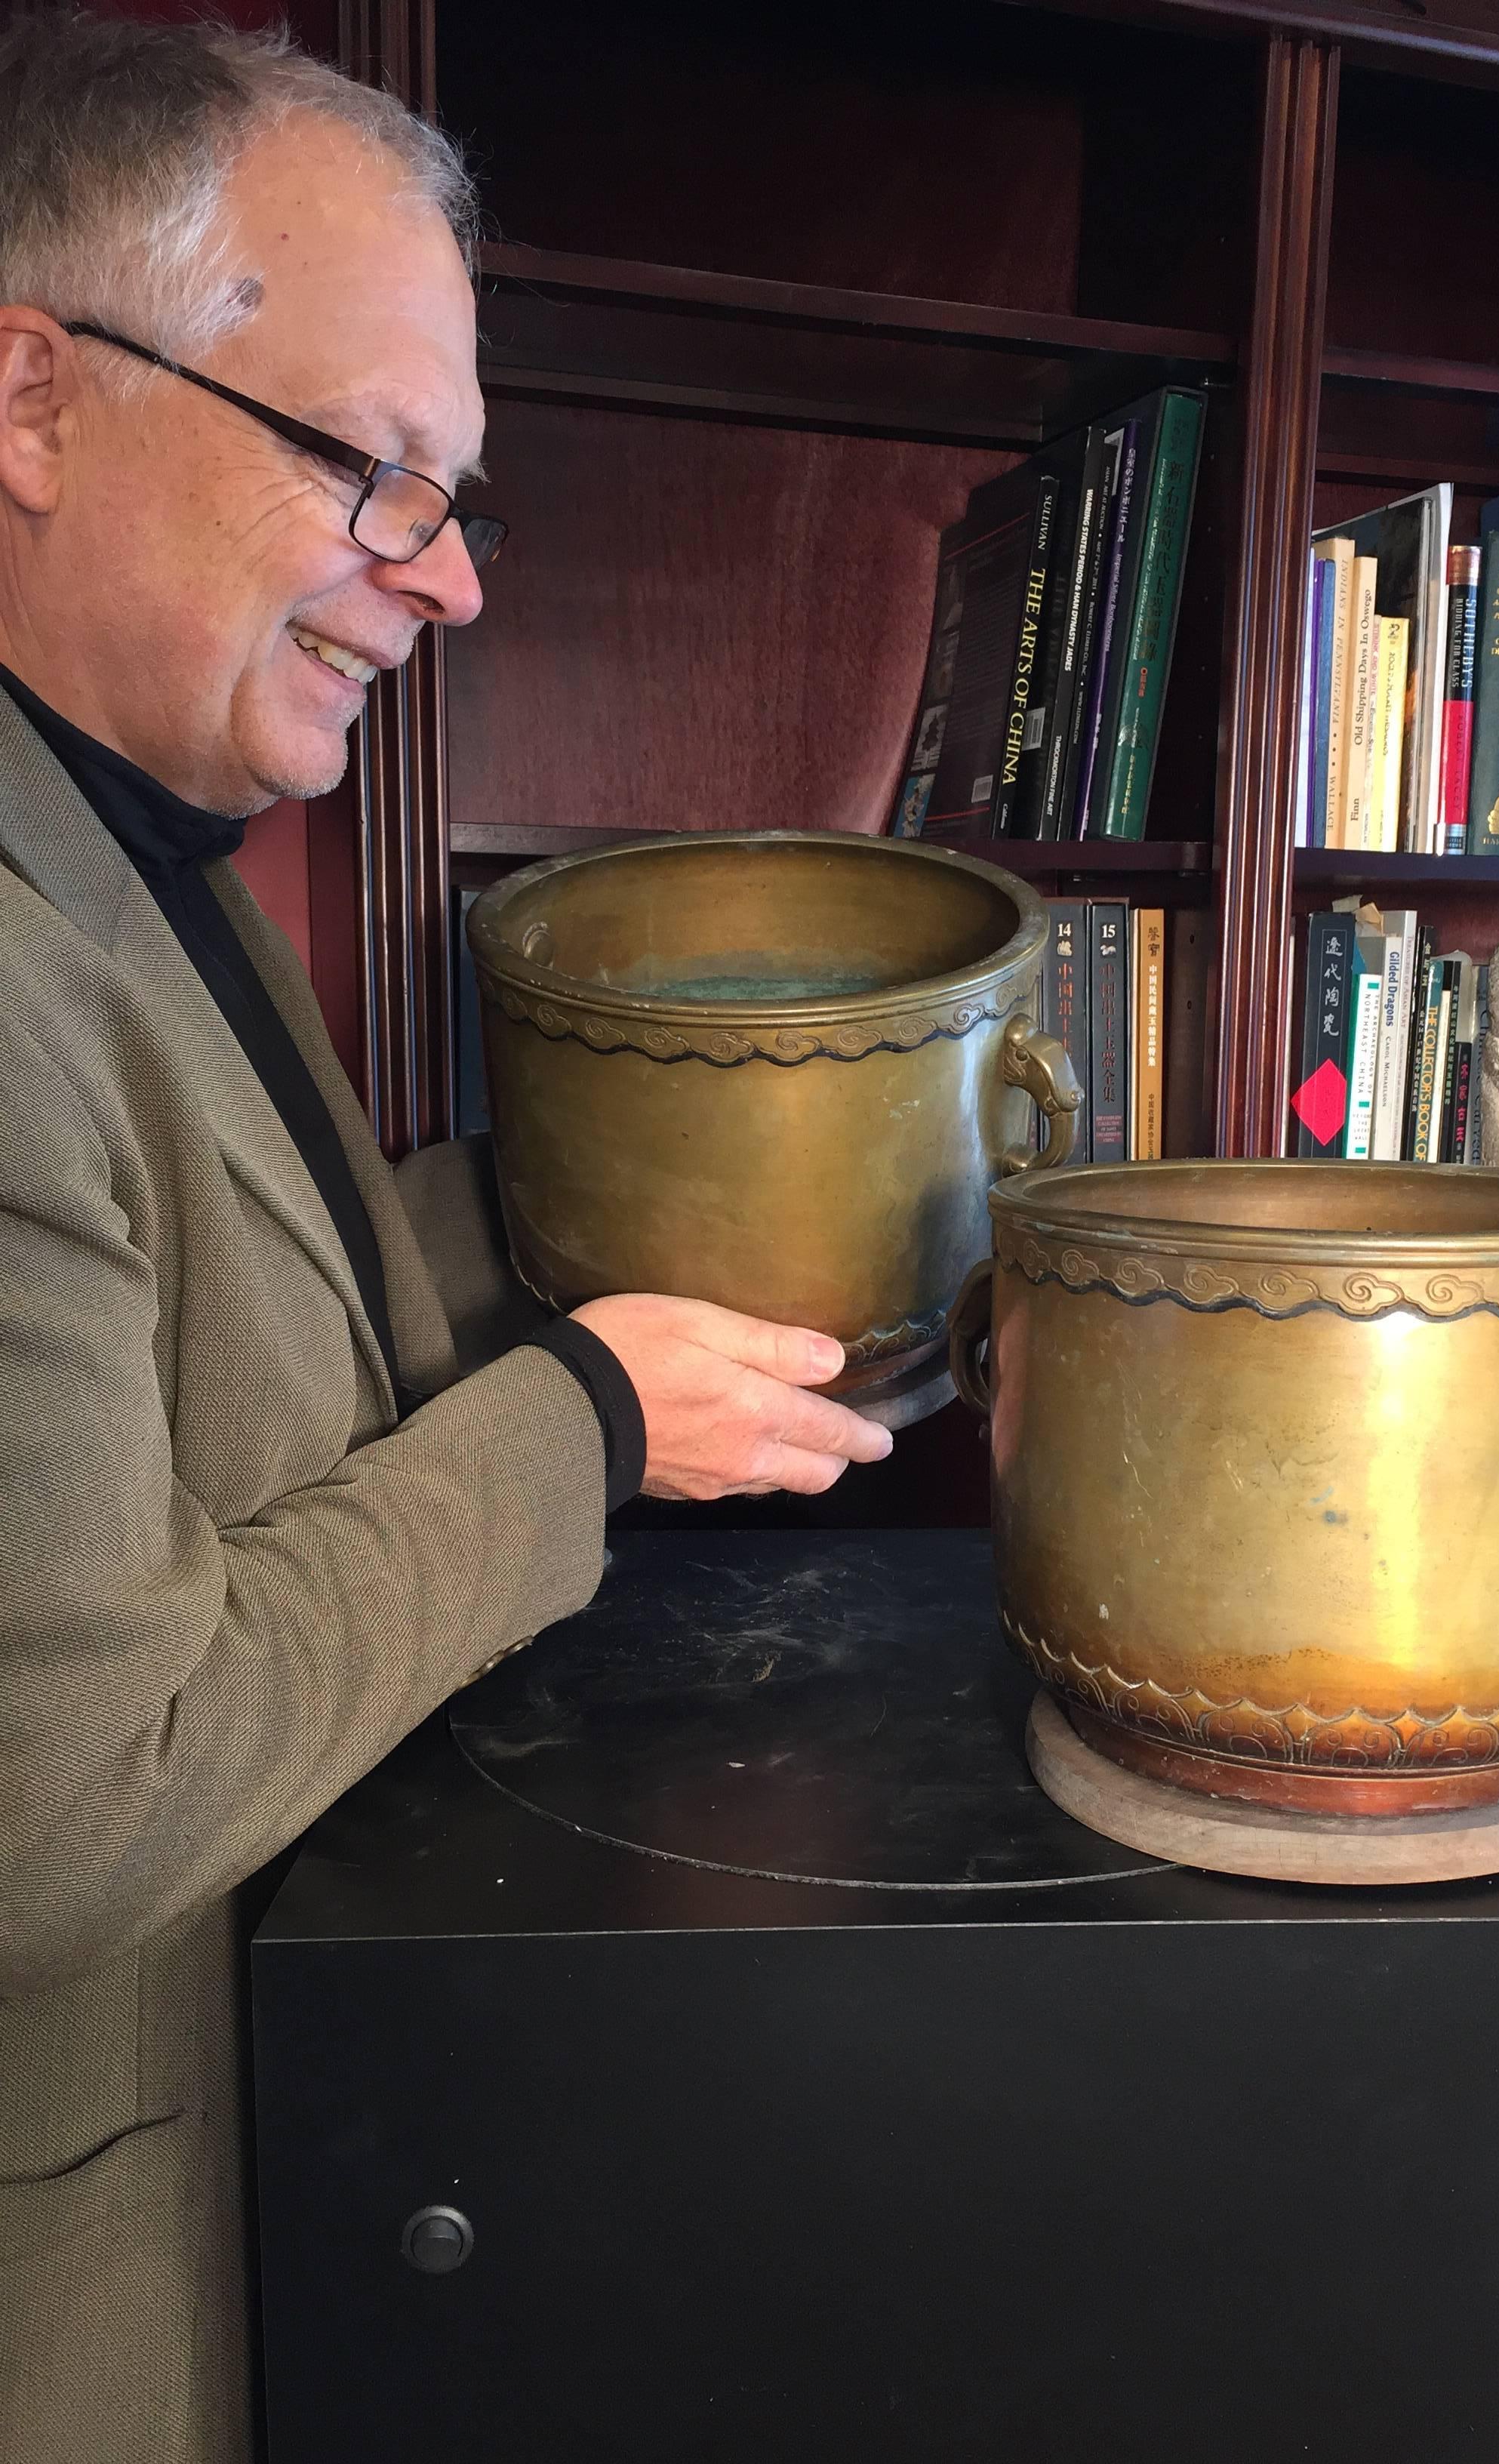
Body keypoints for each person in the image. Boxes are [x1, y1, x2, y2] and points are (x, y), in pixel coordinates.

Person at [0, 16, 892, 2461]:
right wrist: (591, 1419)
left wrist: (626, 1215)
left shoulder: (139, 848)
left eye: (460, 498)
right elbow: (76, 1791)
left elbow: (228, 1326)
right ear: (38, 399)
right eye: (382, 477)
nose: (458, 580)